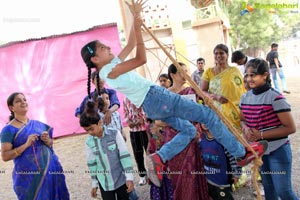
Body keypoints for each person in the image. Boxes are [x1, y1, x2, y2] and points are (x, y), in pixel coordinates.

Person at [80, 0, 266, 187]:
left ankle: (160, 157)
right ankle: (242, 154)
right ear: (95, 59)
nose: (109, 48)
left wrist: (137, 19)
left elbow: (129, 44)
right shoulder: (108, 72)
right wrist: (137, 26)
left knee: (190, 130)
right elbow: (141, 58)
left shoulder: (110, 66)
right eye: (103, 48)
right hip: (157, 98)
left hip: (153, 105)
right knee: (208, 115)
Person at [240, 58, 298, 200]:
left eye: (253, 75)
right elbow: (242, 120)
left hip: (278, 150)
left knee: (284, 192)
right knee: (269, 189)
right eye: (247, 75)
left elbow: (290, 128)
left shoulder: (275, 98)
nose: (249, 79)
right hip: (259, 151)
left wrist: (260, 134)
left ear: (265, 75)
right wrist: (246, 128)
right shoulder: (244, 98)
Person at [0, 92, 70, 200]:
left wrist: (47, 141)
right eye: (18, 101)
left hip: (51, 172)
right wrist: (26, 144)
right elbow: (5, 156)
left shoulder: (38, 124)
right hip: (30, 177)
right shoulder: (7, 130)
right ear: (11, 107)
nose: (23, 102)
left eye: (24, 100)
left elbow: (51, 144)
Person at [164, 62, 209, 200]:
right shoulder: (164, 94)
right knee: (178, 171)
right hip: (173, 136)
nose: (185, 75)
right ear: (172, 75)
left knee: (193, 170)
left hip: (190, 135)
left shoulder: (191, 91)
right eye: (181, 72)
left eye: (186, 71)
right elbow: (159, 119)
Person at [80, 100, 134, 200]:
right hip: (104, 183)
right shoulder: (89, 142)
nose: (89, 132)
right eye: (86, 130)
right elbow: (92, 164)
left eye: (91, 129)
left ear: (100, 122)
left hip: (121, 179)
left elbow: (124, 156)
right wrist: (94, 184)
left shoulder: (115, 134)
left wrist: (129, 177)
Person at [201, 44, 247, 131]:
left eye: (221, 53)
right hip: (217, 111)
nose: (218, 56)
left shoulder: (235, 71)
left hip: (235, 111)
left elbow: (242, 90)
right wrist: (215, 97)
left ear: (227, 55)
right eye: (216, 53)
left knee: (238, 137)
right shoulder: (208, 72)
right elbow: (202, 91)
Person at [199, 124, 242, 200]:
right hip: (208, 181)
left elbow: (234, 157)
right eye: (202, 121)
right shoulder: (202, 140)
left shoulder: (223, 139)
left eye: (207, 120)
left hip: (222, 183)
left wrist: (236, 174)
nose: (204, 123)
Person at [123, 97, 148, 186]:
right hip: (134, 131)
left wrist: (143, 119)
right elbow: (125, 113)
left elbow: (147, 111)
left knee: (149, 152)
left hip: (145, 130)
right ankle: (142, 175)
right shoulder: (125, 99)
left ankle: (153, 175)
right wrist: (129, 122)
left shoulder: (141, 96)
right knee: (138, 154)